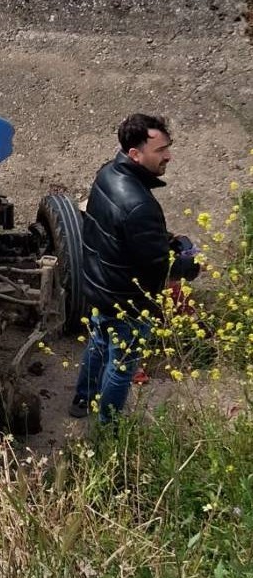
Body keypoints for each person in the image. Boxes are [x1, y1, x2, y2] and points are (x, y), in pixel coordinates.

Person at [70, 114, 199, 421]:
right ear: (135, 154)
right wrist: (191, 264)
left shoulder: (107, 173)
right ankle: (108, 429)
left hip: (100, 287)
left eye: (168, 147)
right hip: (127, 300)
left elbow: (117, 231)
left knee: (98, 343)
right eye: (160, 150)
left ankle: (81, 401)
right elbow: (159, 265)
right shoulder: (139, 204)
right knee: (121, 368)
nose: (168, 155)